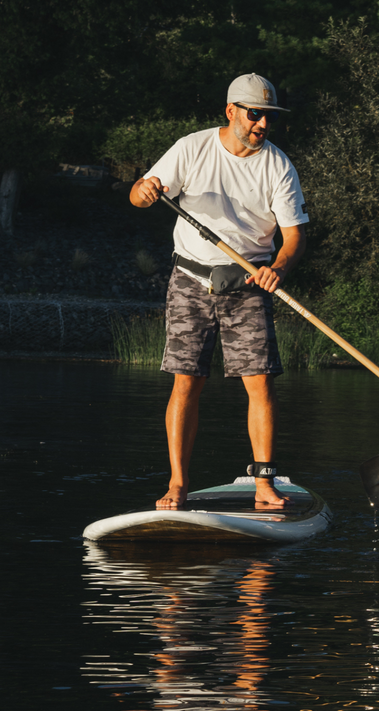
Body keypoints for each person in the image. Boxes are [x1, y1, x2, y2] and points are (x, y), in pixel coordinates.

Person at [130, 74, 309, 511]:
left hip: (248, 283)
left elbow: (294, 236)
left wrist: (278, 269)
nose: (262, 123)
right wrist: (145, 190)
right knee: (186, 382)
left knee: (260, 384)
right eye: (255, 113)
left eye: (269, 116)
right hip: (190, 279)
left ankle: (264, 485)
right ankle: (177, 484)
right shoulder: (192, 148)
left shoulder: (278, 165)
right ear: (231, 111)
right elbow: (138, 197)